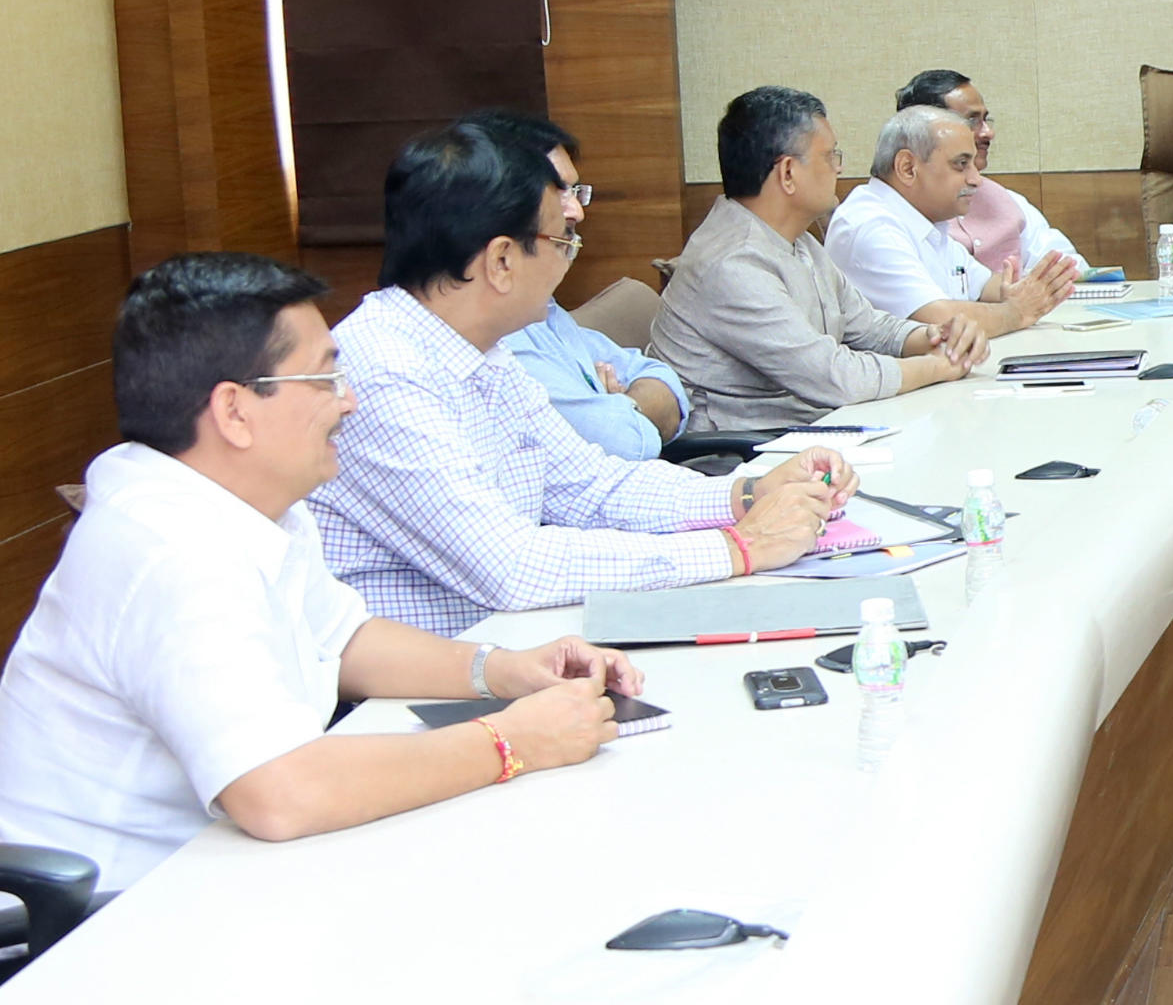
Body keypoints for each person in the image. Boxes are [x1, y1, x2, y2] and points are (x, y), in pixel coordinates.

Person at [0, 253, 648, 898]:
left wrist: (506, 671)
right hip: (92, 938)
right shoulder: (169, 550)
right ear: (234, 410)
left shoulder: (252, 505)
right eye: (324, 379)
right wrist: (511, 743)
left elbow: (343, 640)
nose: (349, 402)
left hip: (218, 880)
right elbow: (280, 794)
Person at [311, 122, 854, 635]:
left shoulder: (483, 352)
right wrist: (740, 547)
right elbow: (512, 566)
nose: (569, 253)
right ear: (501, 261)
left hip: (517, 640)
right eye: (560, 241)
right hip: (421, 690)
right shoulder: (383, 374)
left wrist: (751, 493)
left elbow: (590, 487)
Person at [651, 86, 989, 432]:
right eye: (830, 157)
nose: (839, 170)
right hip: (747, 454)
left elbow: (868, 326)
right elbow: (834, 377)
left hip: (808, 430)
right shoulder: (731, 264)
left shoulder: (798, 241)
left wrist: (936, 337)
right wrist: (939, 366)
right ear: (787, 173)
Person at [453, 110, 686, 461]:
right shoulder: (497, 330)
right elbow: (622, 443)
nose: (576, 211)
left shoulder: (544, 310)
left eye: (575, 191)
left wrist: (619, 404)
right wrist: (612, 412)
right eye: (557, 193)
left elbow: (668, 386)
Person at [824, 103, 1083, 327]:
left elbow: (986, 287)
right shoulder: (871, 225)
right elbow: (935, 319)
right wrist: (1016, 312)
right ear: (907, 168)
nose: (976, 179)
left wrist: (1031, 289)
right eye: (961, 164)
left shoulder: (927, 220)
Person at [897, 69, 1081, 274]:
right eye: (972, 121)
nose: (988, 133)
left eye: (986, 120)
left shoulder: (1010, 201)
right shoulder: (897, 217)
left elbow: (1069, 267)